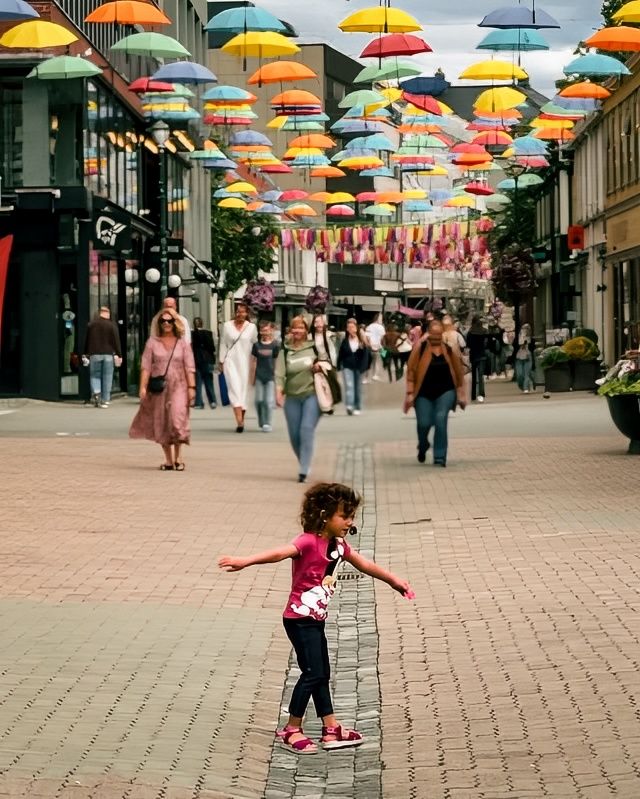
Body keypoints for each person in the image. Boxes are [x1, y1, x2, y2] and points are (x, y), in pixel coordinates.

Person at [218, 482, 413, 754]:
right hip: (298, 620)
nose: (349, 522)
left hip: (315, 620)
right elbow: (278, 553)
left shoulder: (339, 546)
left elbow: (365, 564)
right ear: (325, 515)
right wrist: (245, 560)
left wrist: (393, 580)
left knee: (322, 673)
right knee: (313, 674)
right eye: (344, 516)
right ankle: (291, 729)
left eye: (351, 516)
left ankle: (330, 728)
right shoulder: (307, 541)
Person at [129, 307, 196, 470]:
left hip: (179, 385)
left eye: (169, 321)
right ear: (158, 324)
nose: (166, 323)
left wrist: (191, 387)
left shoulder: (183, 343)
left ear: (175, 323)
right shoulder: (152, 343)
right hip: (159, 388)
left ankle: (179, 457)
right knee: (162, 422)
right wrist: (143, 387)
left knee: (177, 418)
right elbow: (145, 366)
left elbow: (189, 366)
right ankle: (168, 460)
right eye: (163, 321)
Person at [404, 320, 466, 467]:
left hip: (445, 391)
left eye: (439, 335)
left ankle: (440, 456)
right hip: (423, 392)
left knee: (440, 418)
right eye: (433, 334)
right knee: (424, 423)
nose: (436, 338)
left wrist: (461, 393)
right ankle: (423, 444)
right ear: (428, 334)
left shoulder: (449, 350)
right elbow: (411, 370)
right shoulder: (420, 348)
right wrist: (410, 392)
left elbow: (459, 373)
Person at [276, 316, 322, 483]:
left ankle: (304, 468)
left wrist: (319, 366)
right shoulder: (285, 350)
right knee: (295, 435)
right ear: (290, 330)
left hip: (312, 394)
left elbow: (328, 363)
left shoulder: (314, 348)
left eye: (301, 328)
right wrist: (279, 391)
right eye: (294, 328)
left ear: (306, 330)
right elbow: (280, 374)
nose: (297, 331)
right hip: (292, 397)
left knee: (306, 429)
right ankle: (304, 460)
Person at [219, 302, 258, 433]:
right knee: (234, 389)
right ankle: (239, 422)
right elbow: (223, 343)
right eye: (237, 311)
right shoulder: (227, 326)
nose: (239, 314)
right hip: (231, 361)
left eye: (242, 311)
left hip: (246, 362)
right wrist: (221, 360)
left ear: (247, 313)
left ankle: (242, 418)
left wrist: (257, 362)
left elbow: (255, 344)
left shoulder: (251, 327)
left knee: (244, 392)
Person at [83, 306, 122, 408]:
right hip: (108, 354)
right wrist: (119, 354)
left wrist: (86, 353)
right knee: (107, 377)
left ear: (99, 313)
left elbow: (87, 340)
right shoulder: (112, 325)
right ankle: (105, 400)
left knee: (95, 375)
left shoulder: (91, 325)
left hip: (94, 354)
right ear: (107, 314)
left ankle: (96, 393)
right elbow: (116, 341)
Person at [337, 318, 371, 416]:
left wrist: (366, 366)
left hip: (359, 366)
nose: (351, 329)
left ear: (356, 328)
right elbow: (341, 354)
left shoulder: (361, 340)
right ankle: (349, 405)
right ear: (347, 329)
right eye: (349, 327)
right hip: (347, 365)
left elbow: (366, 354)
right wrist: (339, 364)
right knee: (349, 385)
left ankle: (357, 406)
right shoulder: (345, 341)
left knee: (357, 387)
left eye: (353, 327)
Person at [251, 320, 280, 432]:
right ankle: (261, 421)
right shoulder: (256, 345)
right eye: (262, 330)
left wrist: (277, 376)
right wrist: (252, 377)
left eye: (267, 330)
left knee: (268, 401)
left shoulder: (275, 345)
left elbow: (276, 361)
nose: (264, 332)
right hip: (259, 376)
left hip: (270, 377)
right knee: (258, 400)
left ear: (271, 330)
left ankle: (267, 423)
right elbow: (253, 361)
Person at [191, 317, 217, 410]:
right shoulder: (208, 333)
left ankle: (199, 403)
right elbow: (212, 348)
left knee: (197, 383)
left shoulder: (192, 334)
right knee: (209, 382)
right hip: (208, 359)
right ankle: (212, 401)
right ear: (202, 323)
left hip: (196, 360)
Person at [466, 315, 488, 403]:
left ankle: (473, 395)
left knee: (474, 376)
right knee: (481, 375)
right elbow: (487, 343)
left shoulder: (470, 332)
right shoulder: (484, 331)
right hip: (482, 355)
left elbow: (468, 345)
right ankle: (481, 393)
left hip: (473, 355)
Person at [515, 324, 536, 393]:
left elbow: (532, 348)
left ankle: (526, 387)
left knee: (526, 373)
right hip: (519, 357)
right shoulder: (518, 338)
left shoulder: (531, 339)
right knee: (520, 374)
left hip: (528, 357)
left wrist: (526, 342)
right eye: (523, 328)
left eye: (526, 329)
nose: (524, 330)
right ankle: (527, 384)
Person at [365, 313, 386, 381]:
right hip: (378, 347)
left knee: (369, 362)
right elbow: (383, 338)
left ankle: (366, 377)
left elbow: (367, 337)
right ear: (378, 319)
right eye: (381, 318)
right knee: (377, 361)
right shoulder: (381, 327)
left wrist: (369, 344)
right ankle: (375, 375)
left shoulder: (369, 326)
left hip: (370, 347)